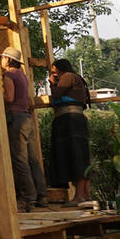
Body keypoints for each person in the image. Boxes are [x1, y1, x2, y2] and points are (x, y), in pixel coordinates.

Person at [0, 46, 47, 211]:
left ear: (8, 59)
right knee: (32, 159)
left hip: (17, 119)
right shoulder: (22, 75)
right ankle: (42, 195)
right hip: (27, 118)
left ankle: (27, 197)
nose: (1, 60)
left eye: (3, 57)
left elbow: (10, 98)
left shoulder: (9, 75)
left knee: (19, 160)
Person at [48, 58, 92, 205]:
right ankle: (85, 195)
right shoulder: (76, 78)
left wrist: (52, 82)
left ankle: (79, 196)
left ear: (59, 69)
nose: (54, 74)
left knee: (76, 157)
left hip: (70, 120)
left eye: (54, 71)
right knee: (81, 157)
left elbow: (56, 95)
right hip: (76, 119)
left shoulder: (67, 77)